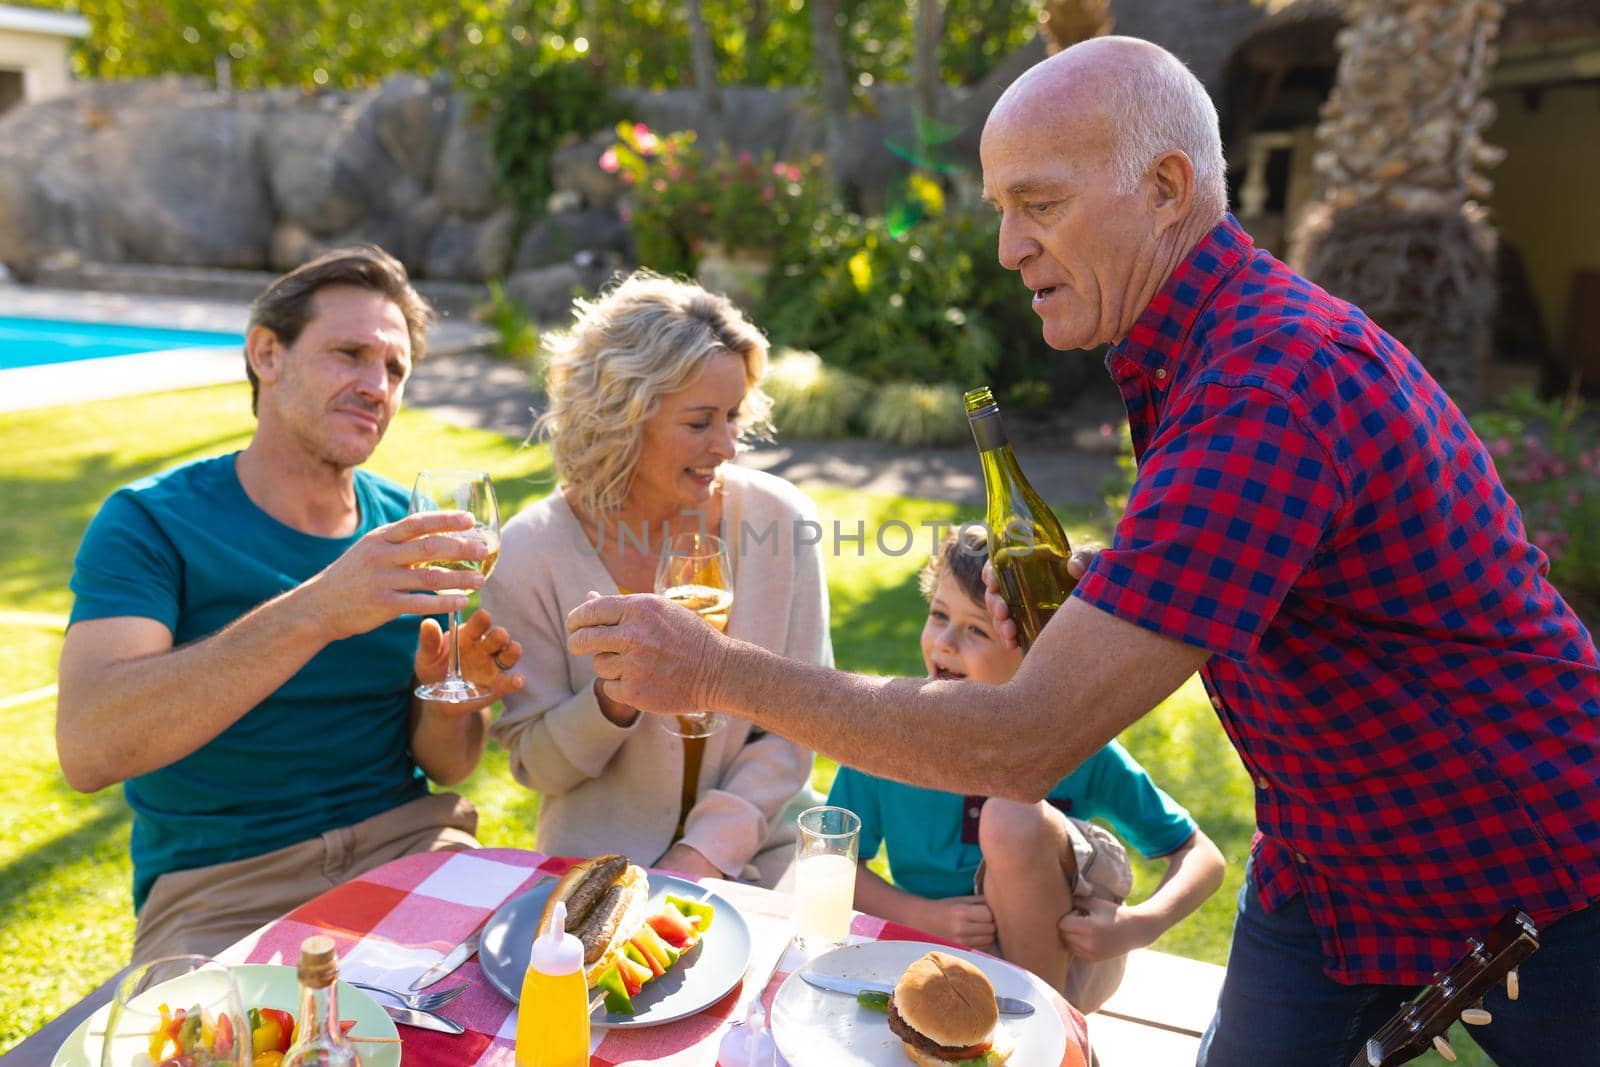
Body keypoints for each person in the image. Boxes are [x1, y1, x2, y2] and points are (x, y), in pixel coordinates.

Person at [567, 36, 1600, 1066]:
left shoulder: (1264, 386)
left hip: (1529, 868)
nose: (1009, 246)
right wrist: (1113, 585)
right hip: (1329, 858)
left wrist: (710, 668)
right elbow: (1266, 577)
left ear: (1163, 188)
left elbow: (1025, 741)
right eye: (1001, 210)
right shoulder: (1210, 352)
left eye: (1041, 203)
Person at [57, 246, 525, 964]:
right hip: (222, 886)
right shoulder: (149, 523)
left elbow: (450, 763)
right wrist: (321, 608)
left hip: (406, 845)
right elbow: (89, 747)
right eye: (349, 353)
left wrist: (450, 699)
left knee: (524, 1003)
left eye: (394, 369)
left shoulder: (410, 524)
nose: (377, 386)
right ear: (267, 355)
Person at [483, 271, 827, 888]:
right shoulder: (528, 553)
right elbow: (536, 764)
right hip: (597, 867)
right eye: (699, 423)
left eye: (733, 416)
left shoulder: (780, 522)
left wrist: (699, 857)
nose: (726, 445)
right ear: (620, 418)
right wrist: (611, 698)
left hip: (768, 849)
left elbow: (797, 725)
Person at [828, 526, 1224, 1012]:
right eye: (938, 615)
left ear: (1039, 646)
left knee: (1012, 816)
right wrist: (921, 914)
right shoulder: (890, 733)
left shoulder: (1076, 741)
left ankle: (1053, 1035)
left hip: (1065, 968)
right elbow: (832, 862)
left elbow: (1201, 856)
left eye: (977, 629)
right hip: (935, 956)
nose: (946, 642)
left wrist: (1136, 926)